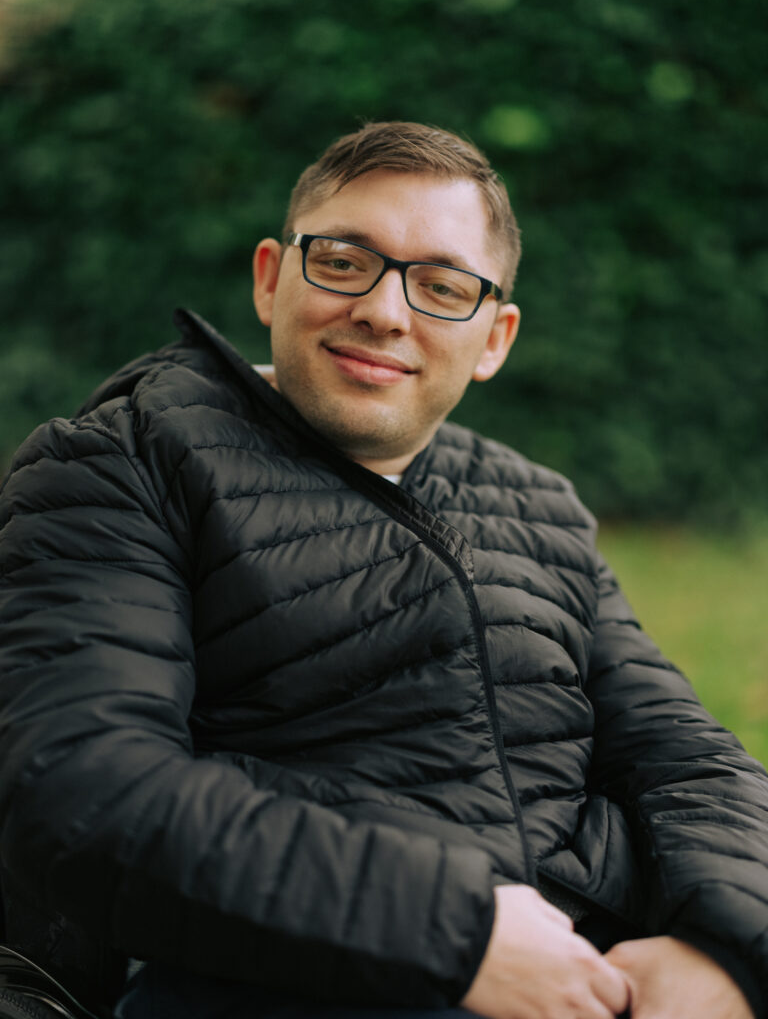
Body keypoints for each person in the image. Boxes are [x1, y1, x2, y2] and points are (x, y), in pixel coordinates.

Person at [0, 121, 765, 1019]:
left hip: (595, 975)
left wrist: (724, 946)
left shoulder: (539, 505)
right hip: (306, 979)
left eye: (442, 285)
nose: (385, 310)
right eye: (343, 261)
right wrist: (453, 933)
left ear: (494, 339)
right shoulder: (121, 464)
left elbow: (690, 760)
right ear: (270, 278)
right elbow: (81, 784)